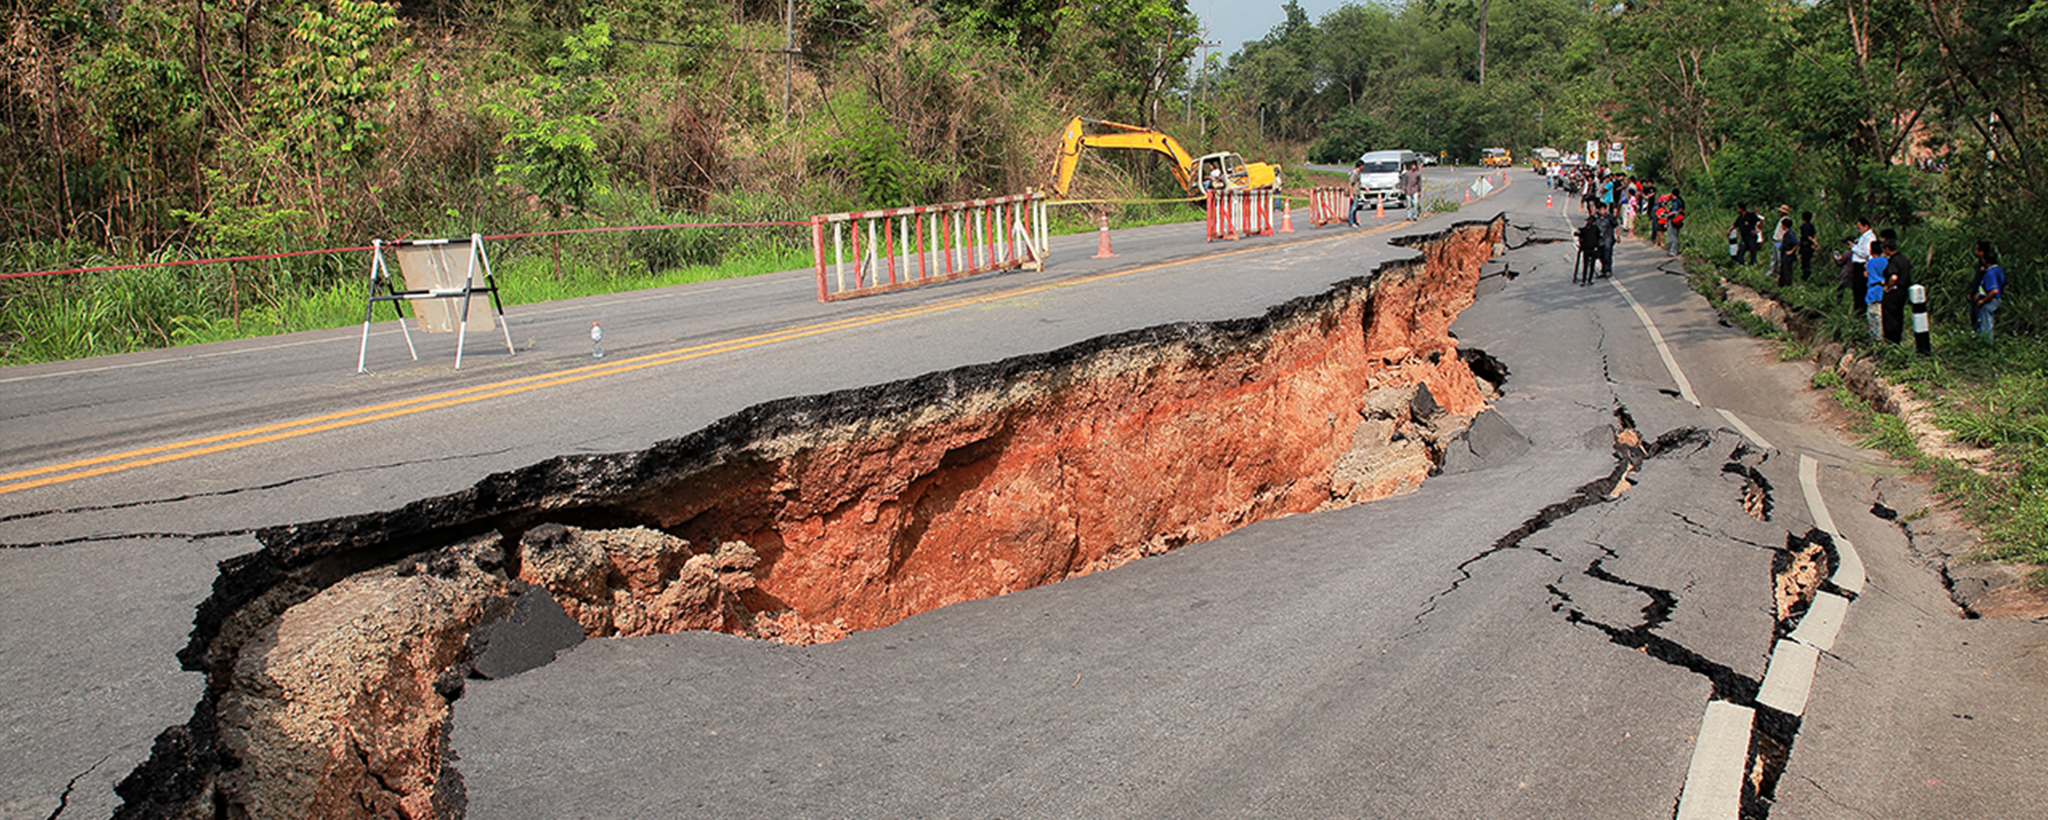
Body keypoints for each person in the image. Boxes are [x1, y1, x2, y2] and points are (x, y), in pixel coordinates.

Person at [1877, 230, 1914, 343]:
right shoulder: (1905, 259)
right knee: (1899, 315)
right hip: (1903, 291)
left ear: (1887, 249)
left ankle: (1891, 341)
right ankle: (1898, 338)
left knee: (1890, 317)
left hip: (1893, 291)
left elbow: (1894, 277)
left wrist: (1888, 286)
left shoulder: (1893, 261)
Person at [1839, 217, 1876, 317]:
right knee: (1856, 289)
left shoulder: (1869, 238)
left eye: (1859, 228)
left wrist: (1853, 248)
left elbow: (1866, 252)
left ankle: (1861, 311)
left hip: (1861, 265)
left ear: (1866, 226)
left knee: (1860, 289)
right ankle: (1858, 310)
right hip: (1857, 265)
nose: (1858, 231)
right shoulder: (1863, 237)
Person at [1972, 240, 2005, 341]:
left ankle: (1985, 343)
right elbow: (2003, 285)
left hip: (1989, 300)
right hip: (1996, 299)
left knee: (1985, 323)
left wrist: (1983, 300)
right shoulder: (1998, 270)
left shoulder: (1989, 274)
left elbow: (1993, 290)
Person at [1863, 239, 1888, 339]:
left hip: (1873, 291)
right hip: (1884, 290)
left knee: (1873, 317)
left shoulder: (1870, 263)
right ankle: (1882, 337)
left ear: (1871, 251)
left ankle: (1876, 339)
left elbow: (1871, 276)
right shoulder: (1886, 261)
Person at [1576, 213, 1603, 286]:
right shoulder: (1595, 229)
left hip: (1586, 248)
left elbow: (1578, 234)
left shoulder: (1585, 229)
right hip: (1592, 248)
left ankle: (1584, 280)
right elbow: (1600, 236)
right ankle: (1589, 280)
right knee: (1591, 264)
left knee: (1586, 264)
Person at [1596, 202, 1619, 278]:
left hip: (1608, 239)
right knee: (1600, 255)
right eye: (1601, 209)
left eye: (1604, 209)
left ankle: (1608, 270)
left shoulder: (1610, 218)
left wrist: (1618, 236)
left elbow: (1616, 226)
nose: (1603, 211)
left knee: (1607, 255)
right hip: (1600, 240)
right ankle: (1603, 269)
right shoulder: (1597, 219)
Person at [1775, 217, 1799, 287]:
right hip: (1784, 255)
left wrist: (1791, 251)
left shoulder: (1790, 234)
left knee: (1787, 271)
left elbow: (1797, 243)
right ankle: (1781, 285)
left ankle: (1788, 285)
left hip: (1788, 257)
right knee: (1782, 270)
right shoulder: (1786, 234)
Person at [1664, 188, 1685, 256]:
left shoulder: (1675, 202)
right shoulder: (1680, 200)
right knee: (1675, 235)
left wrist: (1667, 215)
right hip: (1679, 220)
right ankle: (1675, 250)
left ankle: (1672, 251)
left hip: (1673, 220)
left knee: (1672, 235)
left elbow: (1674, 211)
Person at [1798, 211, 1817, 281]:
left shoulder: (1804, 226)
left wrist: (1814, 242)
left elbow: (1807, 236)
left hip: (1805, 246)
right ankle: (1807, 275)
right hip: (1810, 246)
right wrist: (1815, 242)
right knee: (1808, 260)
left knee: (1805, 262)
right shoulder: (1811, 226)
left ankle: (1805, 276)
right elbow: (1814, 235)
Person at [1347, 160, 1364, 227]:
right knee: (1352, 208)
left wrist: (1365, 187)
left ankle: (1355, 221)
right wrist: (1351, 194)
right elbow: (1350, 184)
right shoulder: (1354, 173)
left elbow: (1358, 183)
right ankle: (1351, 222)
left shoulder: (1358, 173)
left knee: (1355, 207)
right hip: (1354, 192)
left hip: (1357, 191)